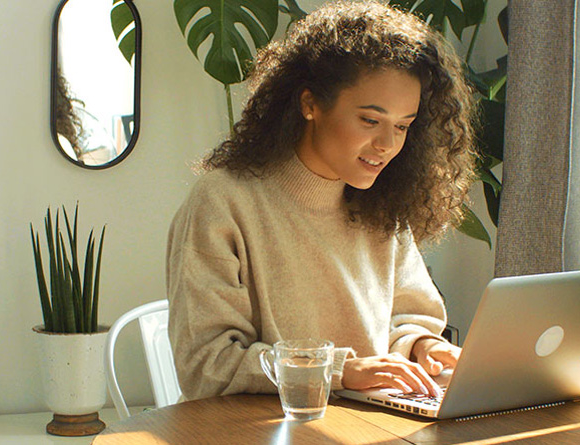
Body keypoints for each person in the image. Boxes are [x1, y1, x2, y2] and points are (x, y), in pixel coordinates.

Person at [167, 0, 477, 401]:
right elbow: (206, 365)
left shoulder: (381, 205)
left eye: (403, 126)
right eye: (370, 120)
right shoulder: (223, 202)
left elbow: (408, 315)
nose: (387, 145)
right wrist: (338, 371)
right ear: (310, 104)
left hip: (365, 428)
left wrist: (423, 346)